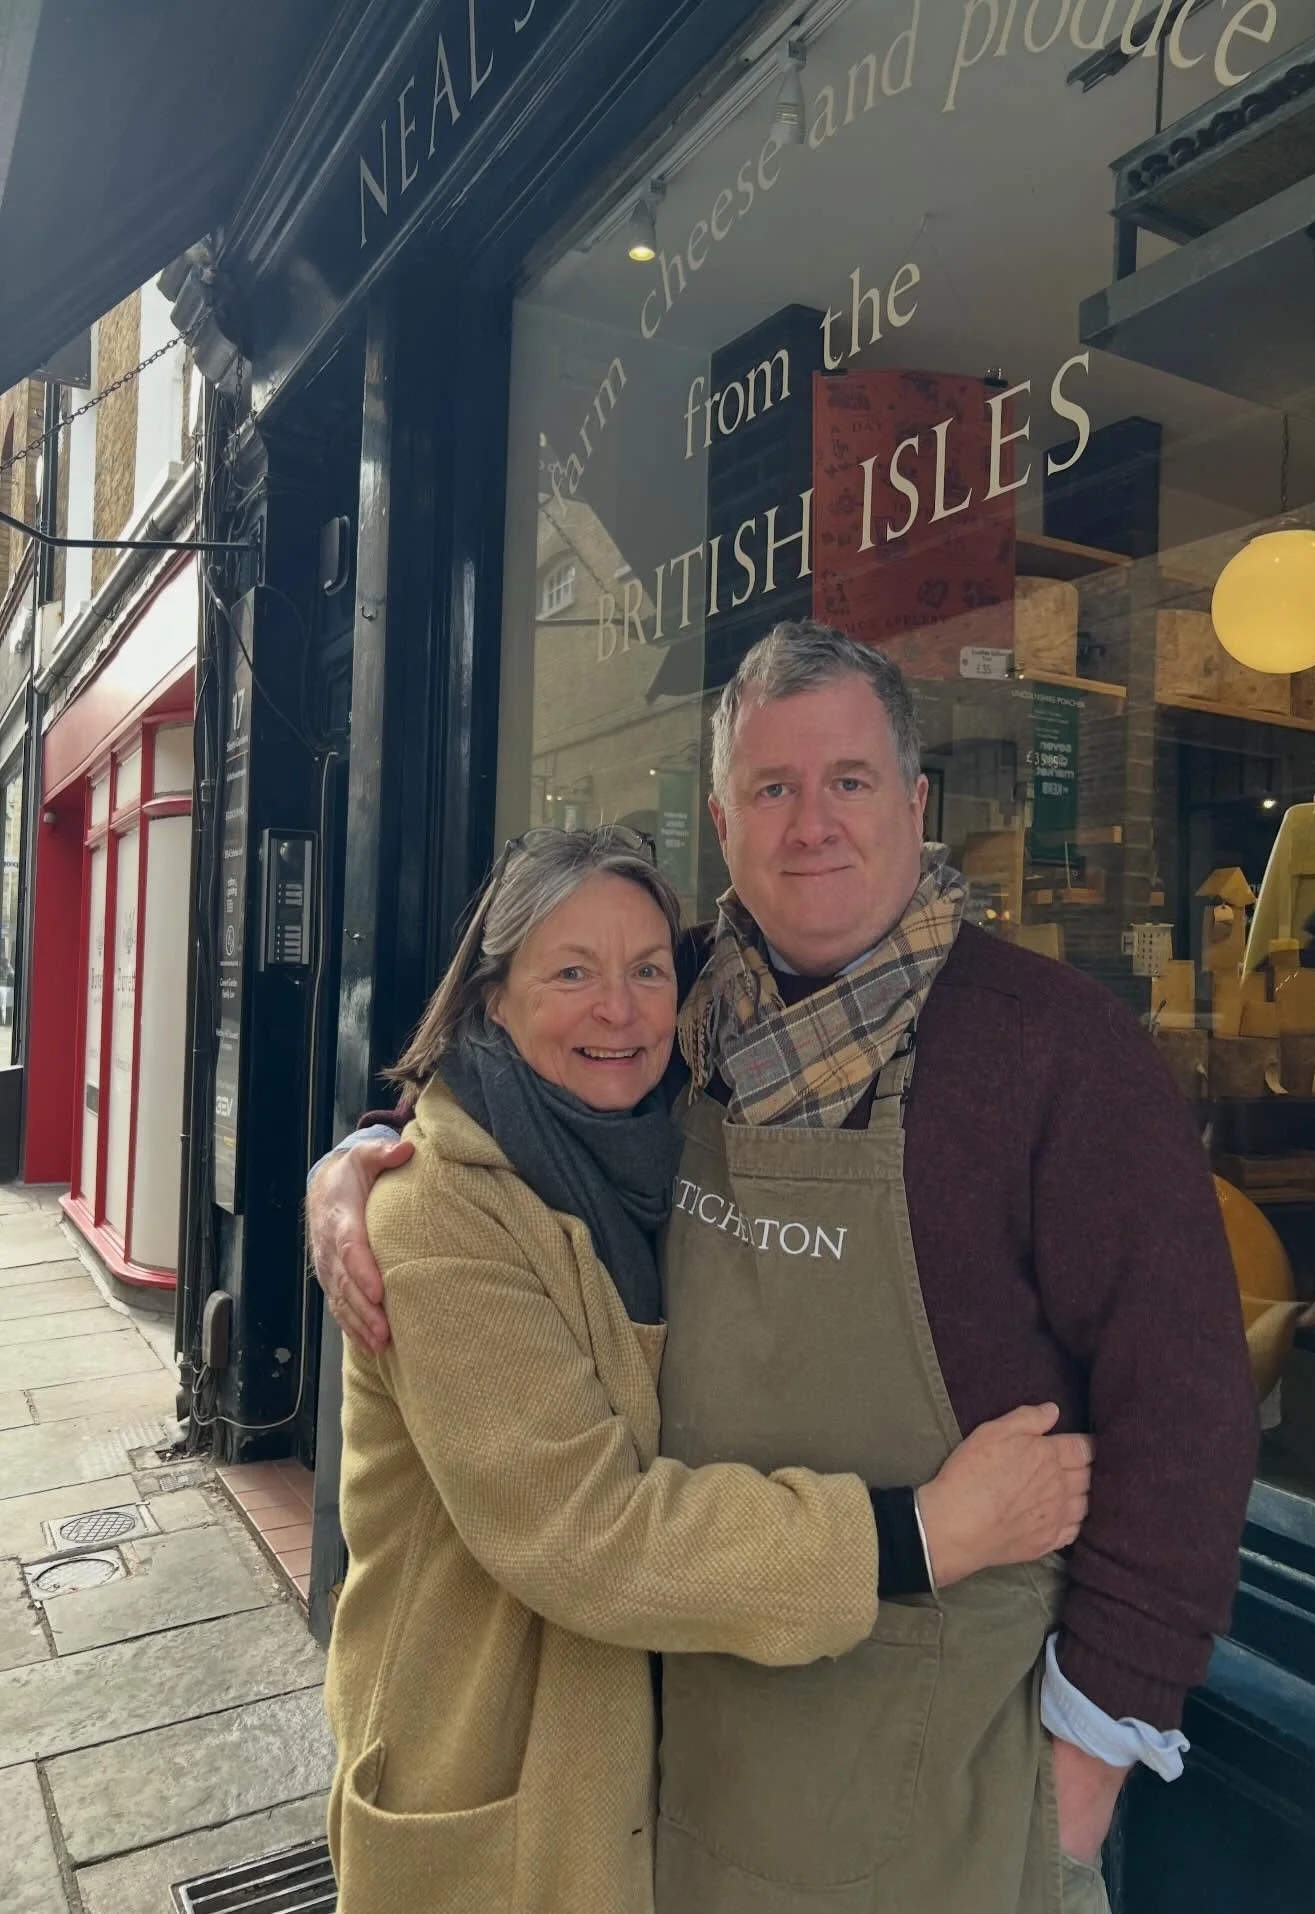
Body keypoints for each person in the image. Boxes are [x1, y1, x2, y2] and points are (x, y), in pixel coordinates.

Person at [311, 623, 1258, 1914]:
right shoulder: (684, 1005)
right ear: (723, 819)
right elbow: (517, 1084)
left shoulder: (1061, 1054)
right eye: (772, 786)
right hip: (685, 1764)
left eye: (849, 780)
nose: (812, 822)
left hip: (950, 1780)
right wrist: (366, 1162)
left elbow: (1188, 1407)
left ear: (915, 804)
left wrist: (1097, 1744)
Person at [322, 823, 1093, 1914]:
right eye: (573, 972)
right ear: (493, 997)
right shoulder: (433, 1218)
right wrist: (924, 1533)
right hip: (499, 1787)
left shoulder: (675, 1150)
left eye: (646, 971)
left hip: (666, 1780)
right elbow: (586, 1536)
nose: (620, 1009)